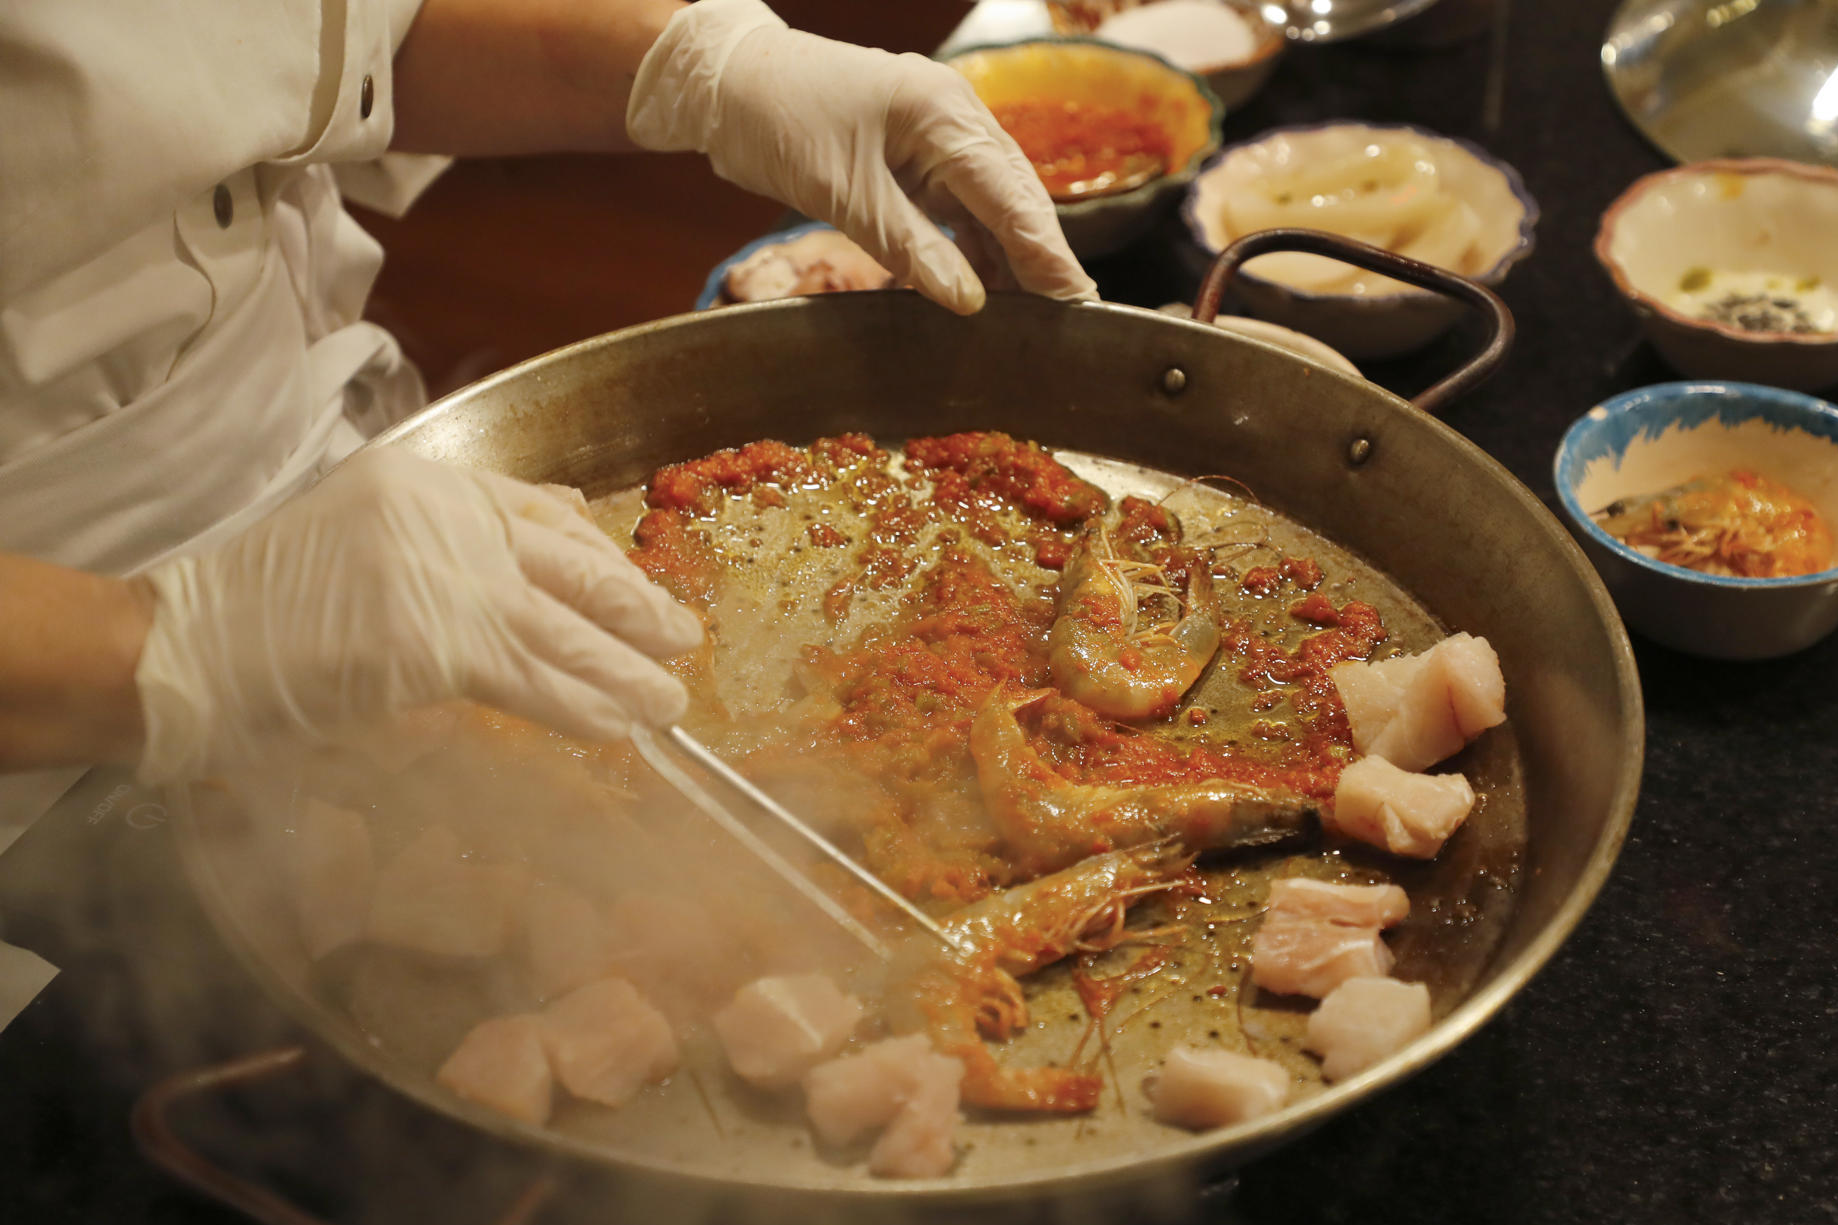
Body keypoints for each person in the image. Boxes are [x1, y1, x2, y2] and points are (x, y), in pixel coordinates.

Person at [0, 0, 1096, 821]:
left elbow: (336, 38)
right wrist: (176, 644)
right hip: (44, 737)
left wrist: (700, 67)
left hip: (351, 506)